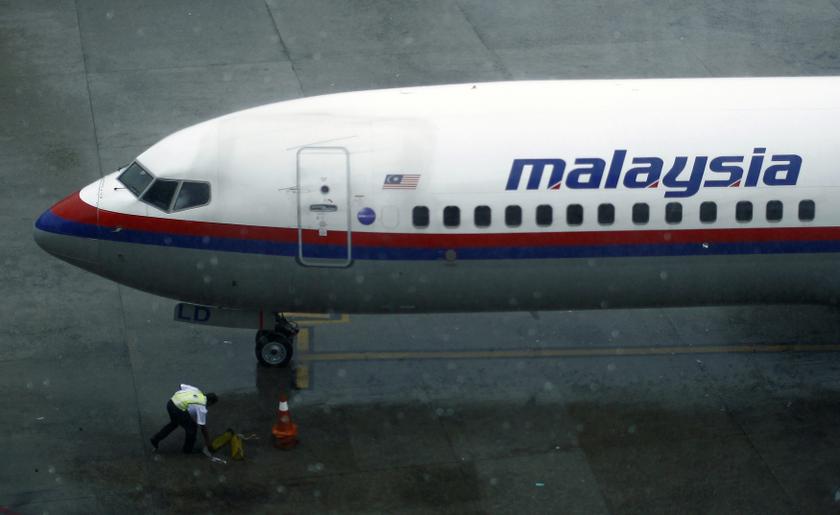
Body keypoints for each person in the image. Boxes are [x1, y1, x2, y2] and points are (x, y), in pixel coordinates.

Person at [150, 384, 218, 455]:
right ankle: (187, 450)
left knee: (174, 423)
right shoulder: (202, 407)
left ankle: (155, 439)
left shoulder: (196, 390)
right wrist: (208, 442)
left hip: (171, 403)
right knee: (192, 428)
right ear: (210, 402)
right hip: (178, 408)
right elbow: (203, 427)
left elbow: (181, 386)